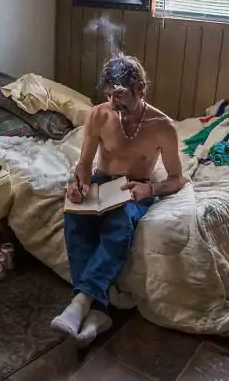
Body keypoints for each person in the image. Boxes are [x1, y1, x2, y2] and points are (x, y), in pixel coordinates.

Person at [50, 53, 187, 346]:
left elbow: (177, 179)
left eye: (121, 95)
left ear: (140, 88)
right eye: (109, 95)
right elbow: (84, 165)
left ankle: (81, 301)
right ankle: (98, 313)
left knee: (120, 222)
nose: (114, 102)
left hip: (137, 187)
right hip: (101, 182)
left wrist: (150, 190)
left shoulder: (163, 126)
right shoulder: (99, 115)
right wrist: (79, 185)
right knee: (75, 216)